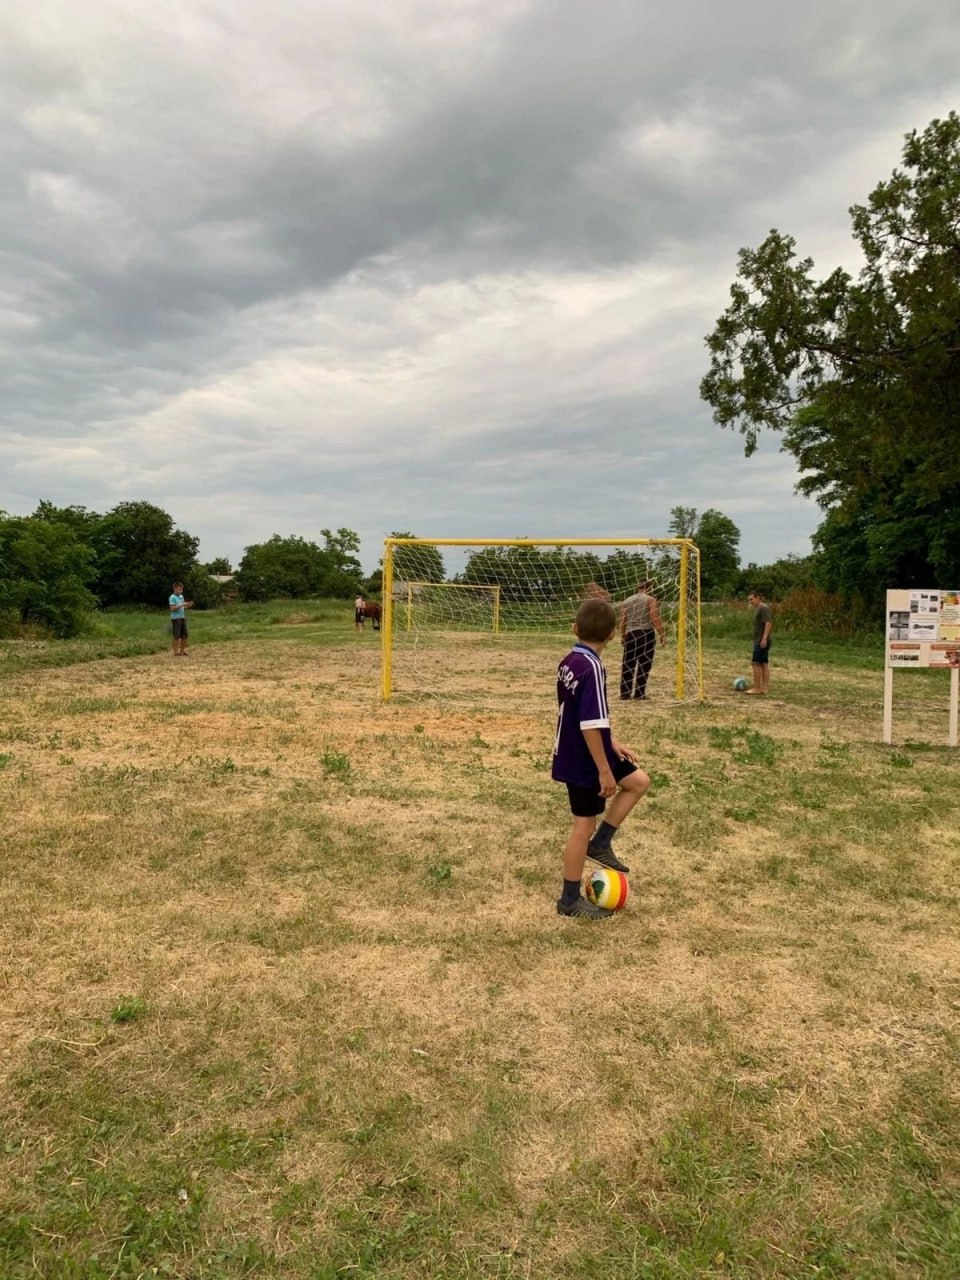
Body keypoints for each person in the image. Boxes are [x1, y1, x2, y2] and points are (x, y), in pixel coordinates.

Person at [552, 598, 651, 919]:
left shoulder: (571, 660)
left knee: (638, 781)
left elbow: (588, 716)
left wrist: (613, 743)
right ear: (612, 635)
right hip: (584, 759)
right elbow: (588, 724)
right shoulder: (592, 667)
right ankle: (569, 900)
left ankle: (602, 843)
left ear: (575, 628)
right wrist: (604, 771)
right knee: (582, 826)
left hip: (588, 749)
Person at [619, 580, 665, 700]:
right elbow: (654, 618)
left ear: (638, 587)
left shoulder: (626, 601)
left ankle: (625, 693)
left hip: (630, 634)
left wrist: (623, 635)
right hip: (645, 633)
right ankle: (639, 693)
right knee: (644, 664)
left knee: (628, 663)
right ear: (649, 587)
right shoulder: (650, 600)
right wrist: (662, 634)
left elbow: (623, 620)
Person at [746, 589, 773, 694]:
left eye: (751, 599)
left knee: (756, 663)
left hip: (761, 640)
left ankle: (757, 688)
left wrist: (764, 638)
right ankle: (764, 688)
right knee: (763, 663)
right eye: (749, 600)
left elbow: (768, 623)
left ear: (758, 598)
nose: (750, 602)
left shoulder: (763, 608)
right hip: (760, 639)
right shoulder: (758, 609)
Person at [168, 581, 193, 657]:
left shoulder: (181, 596)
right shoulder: (172, 597)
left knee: (185, 635)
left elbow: (183, 607)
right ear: (175, 589)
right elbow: (172, 608)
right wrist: (182, 604)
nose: (181, 591)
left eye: (182, 589)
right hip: (176, 619)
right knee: (176, 636)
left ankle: (182, 652)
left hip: (182, 617)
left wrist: (187, 605)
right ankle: (176, 652)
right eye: (179, 589)